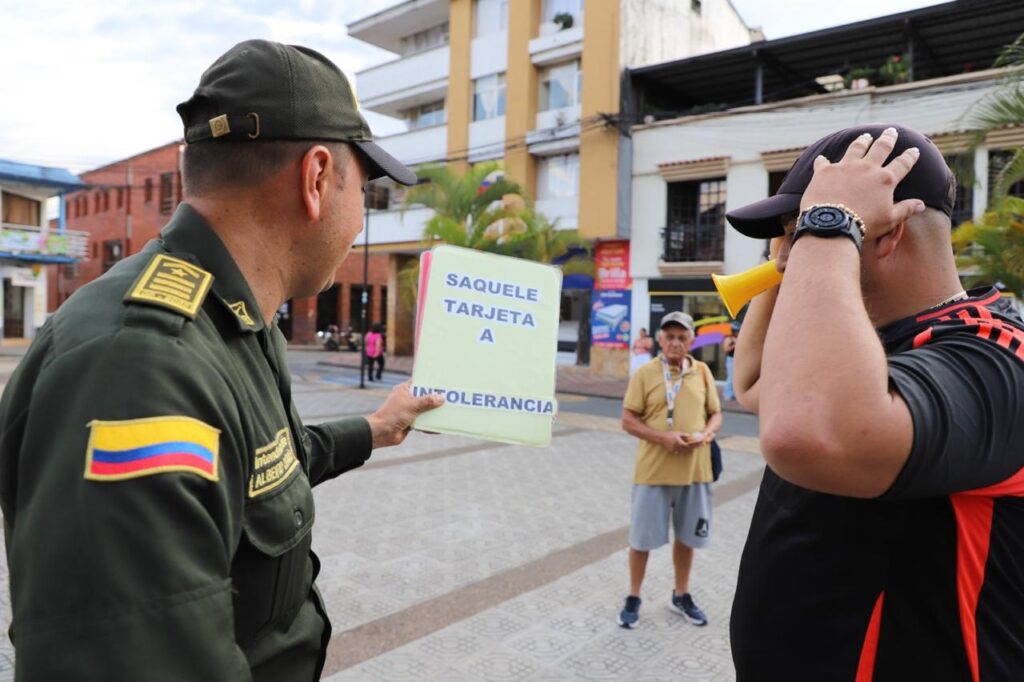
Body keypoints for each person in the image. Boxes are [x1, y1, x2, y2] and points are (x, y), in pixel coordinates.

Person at [0, 39, 445, 681]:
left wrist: (373, 429)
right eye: (367, 190)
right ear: (317, 178)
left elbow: (258, 469)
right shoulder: (141, 367)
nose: (359, 222)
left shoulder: (235, 317)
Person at [725, 124, 1024, 680]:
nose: (791, 255)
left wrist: (825, 227)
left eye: (799, 232)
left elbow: (811, 430)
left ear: (886, 236)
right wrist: (794, 257)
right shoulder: (869, 342)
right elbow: (759, 383)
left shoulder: (998, 353)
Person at [617, 311, 722, 629]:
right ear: (660, 340)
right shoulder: (646, 373)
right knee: (641, 539)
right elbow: (628, 420)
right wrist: (663, 438)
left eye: (682, 337)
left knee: (688, 537)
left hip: (695, 470)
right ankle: (634, 596)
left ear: (691, 341)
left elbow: (715, 414)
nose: (675, 342)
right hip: (653, 471)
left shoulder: (702, 372)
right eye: (670, 336)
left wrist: (708, 433)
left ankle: (681, 594)